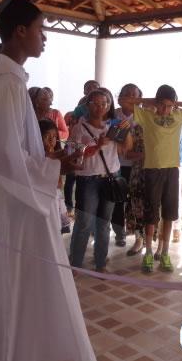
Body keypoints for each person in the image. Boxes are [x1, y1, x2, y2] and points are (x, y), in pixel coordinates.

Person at [0, 0, 98, 361]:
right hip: (9, 207)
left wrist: (52, 161)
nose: (44, 37)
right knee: (10, 287)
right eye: (39, 29)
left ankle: (21, 360)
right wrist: (53, 164)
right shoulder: (6, 84)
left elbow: (11, 148)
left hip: (14, 199)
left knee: (21, 286)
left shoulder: (10, 79)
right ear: (20, 32)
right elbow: (0, 153)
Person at [122, 85, 182, 273]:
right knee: (151, 214)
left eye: (169, 106)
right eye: (162, 105)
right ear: (156, 103)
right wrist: (149, 102)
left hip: (172, 170)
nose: (166, 110)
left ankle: (165, 253)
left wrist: (175, 104)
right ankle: (148, 252)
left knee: (169, 215)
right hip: (152, 170)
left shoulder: (178, 116)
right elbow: (124, 101)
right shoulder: (147, 115)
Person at [68, 89, 132, 272]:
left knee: (104, 224)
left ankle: (101, 263)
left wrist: (125, 132)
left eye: (104, 104)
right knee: (84, 223)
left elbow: (125, 149)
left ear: (109, 106)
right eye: (95, 103)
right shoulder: (79, 128)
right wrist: (97, 145)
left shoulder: (112, 125)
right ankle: (76, 264)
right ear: (87, 105)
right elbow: (73, 155)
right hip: (88, 180)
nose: (100, 107)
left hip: (110, 178)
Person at [112, 83, 144, 248]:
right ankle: (119, 233)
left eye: (135, 95)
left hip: (138, 166)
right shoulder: (115, 115)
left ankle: (139, 237)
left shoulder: (143, 115)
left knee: (137, 202)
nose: (132, 98)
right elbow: (116, 142)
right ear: (121, 97)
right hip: (117, 165)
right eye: (128, 94)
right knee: (118, 200)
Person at [39, 119, 74, 234]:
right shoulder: (38, 156)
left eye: (54, 136)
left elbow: (59, 182)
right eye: (46, 136)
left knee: (57, 230)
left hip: (56, 196)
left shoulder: (54, 152)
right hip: (45, 199)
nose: (51, 140)